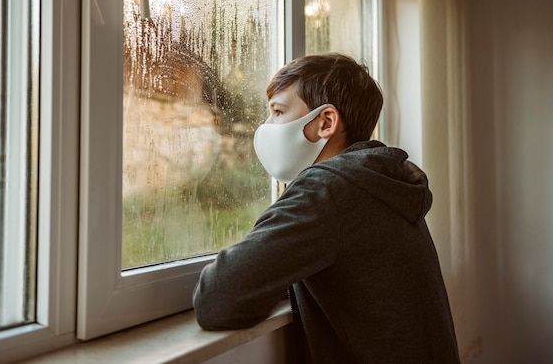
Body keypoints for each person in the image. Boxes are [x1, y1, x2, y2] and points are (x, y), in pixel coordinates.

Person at [192, 53, 460, 363]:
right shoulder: (376, 181)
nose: (266, 127)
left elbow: (216, 299)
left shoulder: (328, 188)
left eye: (278, 112)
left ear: (326, 122)